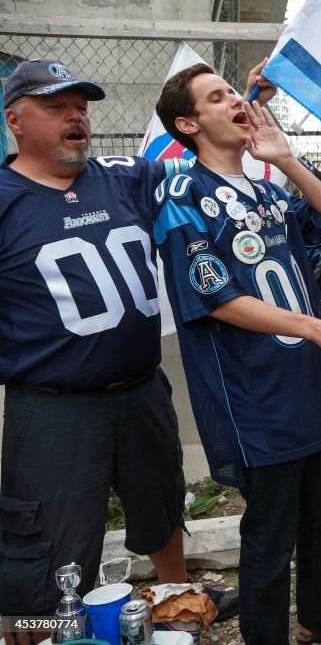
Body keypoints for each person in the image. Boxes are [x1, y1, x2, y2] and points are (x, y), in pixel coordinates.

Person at [0, 59, 234, 644]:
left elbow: (200, 172)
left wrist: (242, 101)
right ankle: (44, 631)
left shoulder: (127, 175)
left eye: (80, 107)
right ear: (15, 122)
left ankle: (174, 600)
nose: (75, 118)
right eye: (55, 108)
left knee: (159, 503)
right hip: (54, 405)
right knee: (46, 540)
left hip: (140, 386)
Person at [153, 63, 321, 643]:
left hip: (305, 381)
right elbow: (215, 298)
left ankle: (319, 615)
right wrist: (315, 328)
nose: (234, 99)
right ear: (188, 123)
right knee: (270, 534)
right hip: (256, 393)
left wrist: (285, 158)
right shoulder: (186, 195)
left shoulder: (267, 189)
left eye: (233, 90)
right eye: (216, 96)